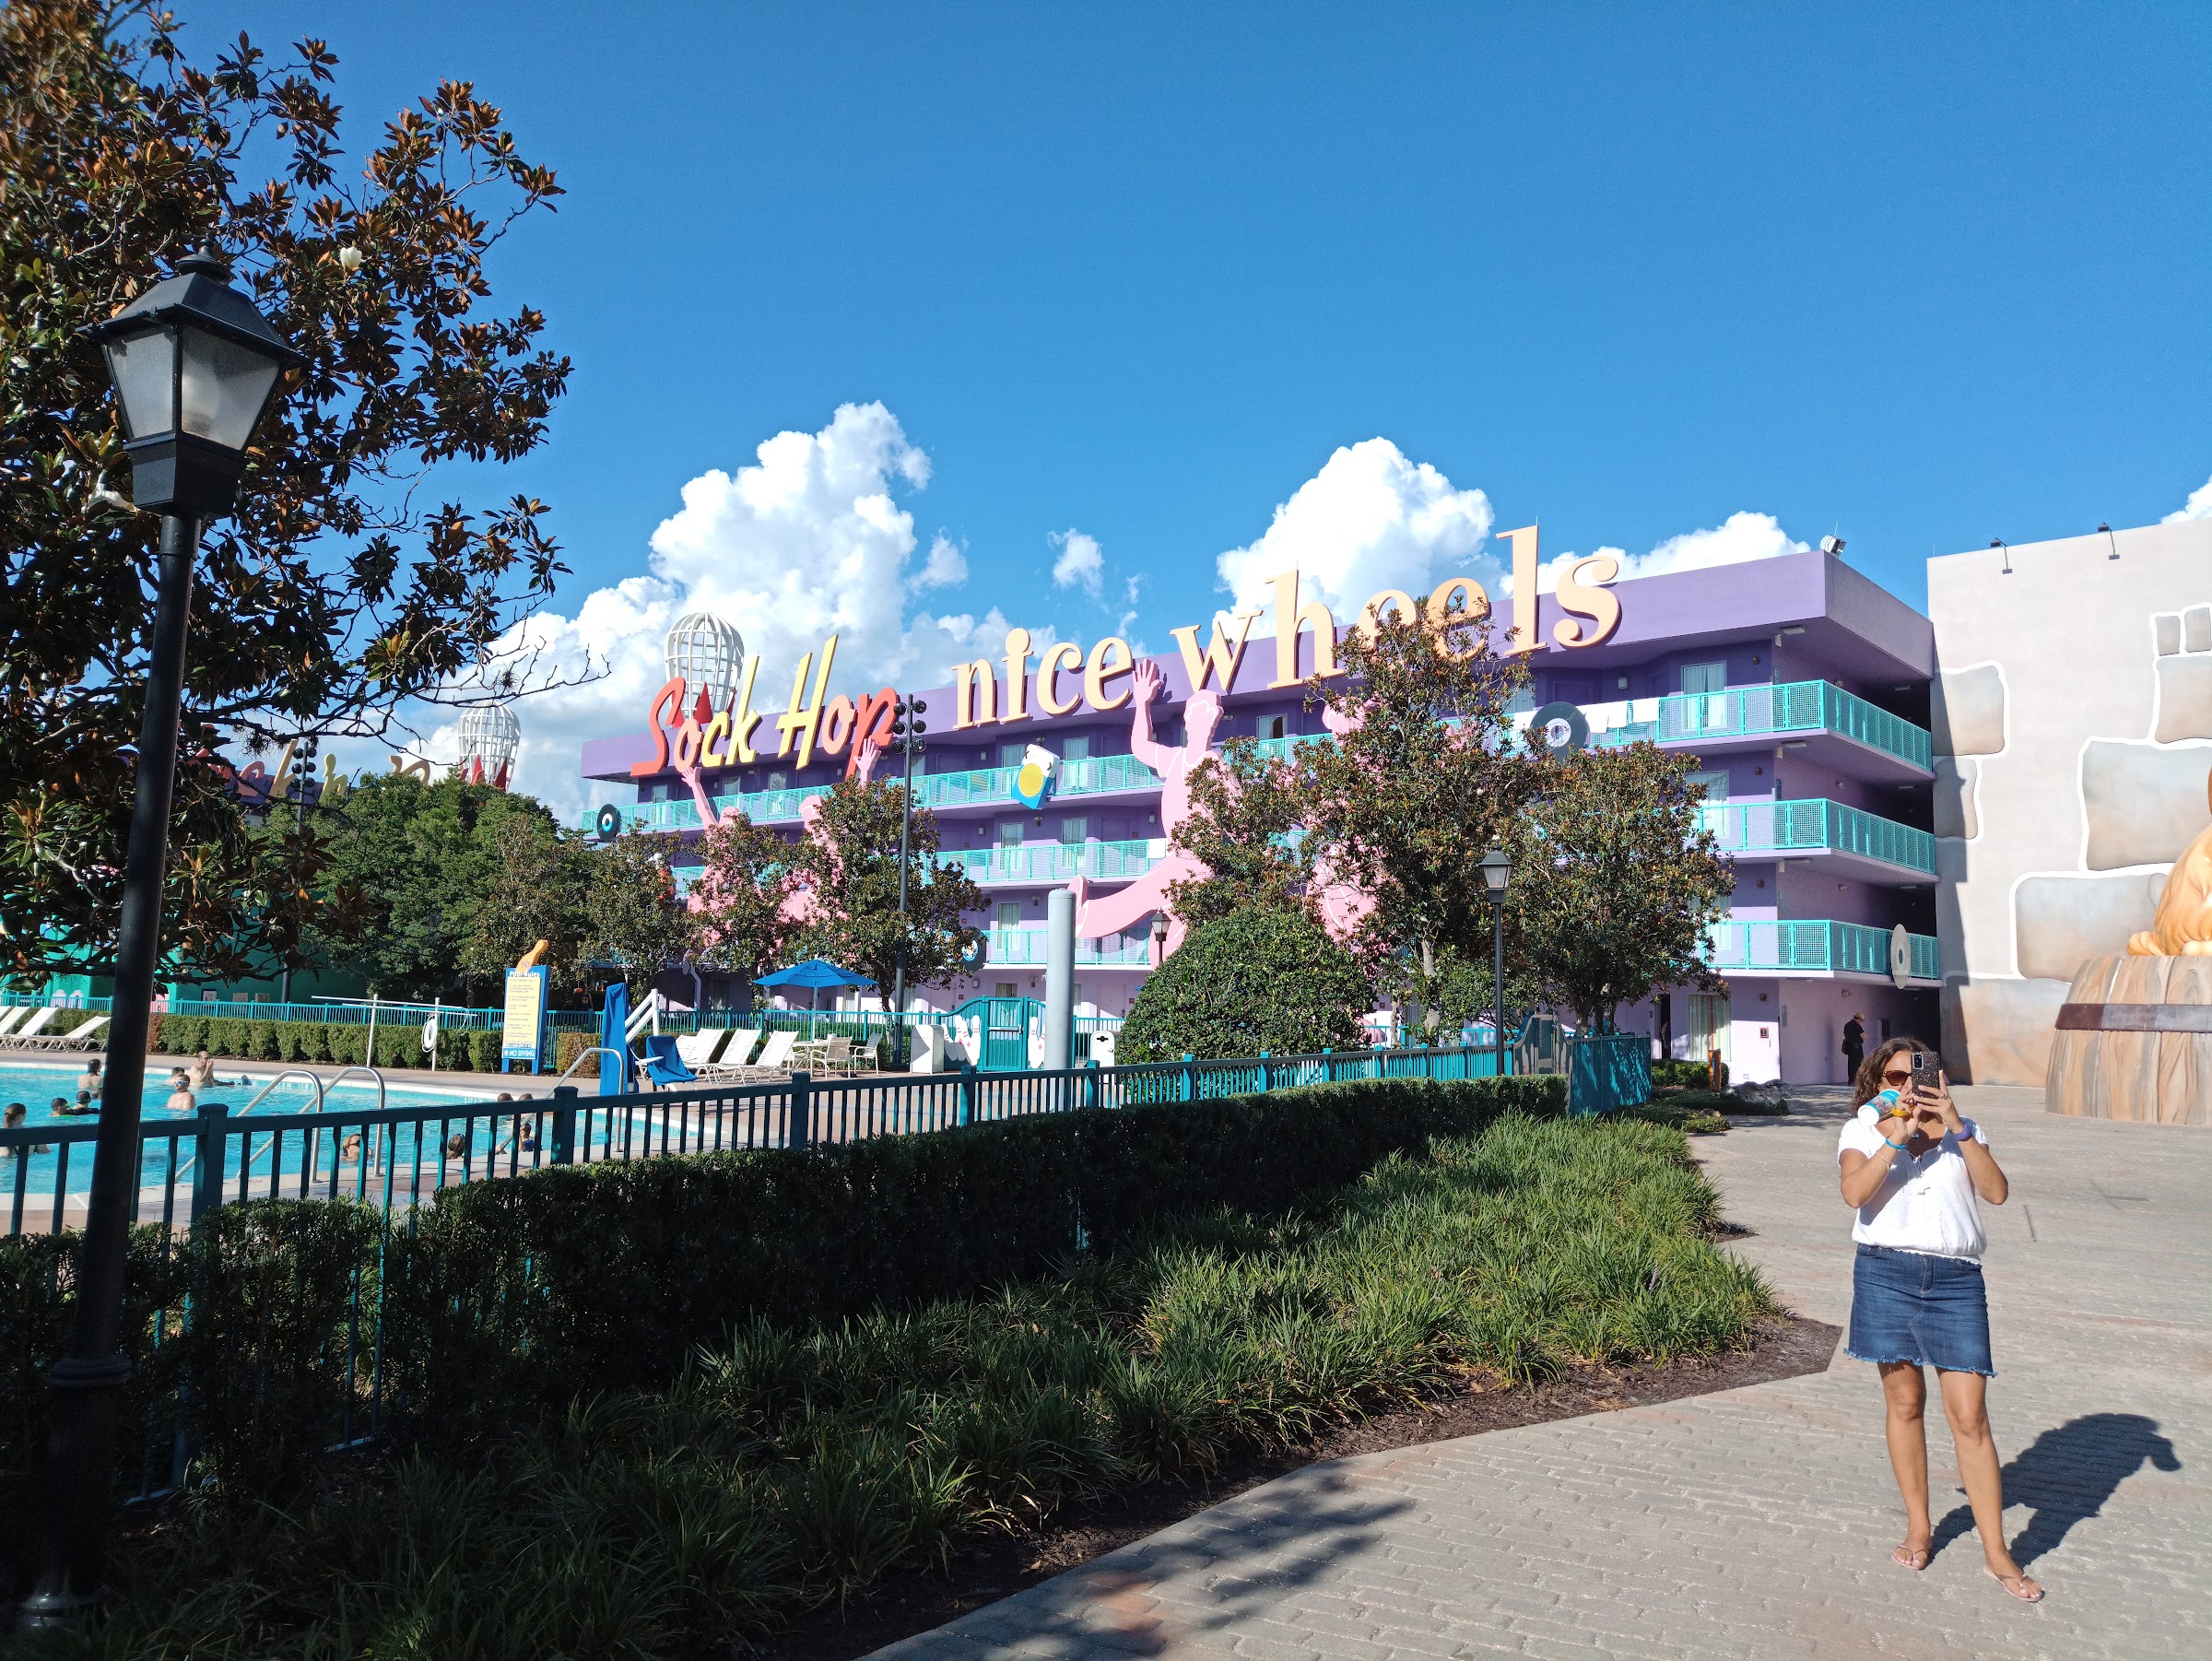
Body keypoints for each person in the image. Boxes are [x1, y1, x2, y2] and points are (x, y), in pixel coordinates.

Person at [1837, 1037, 2042, 1602]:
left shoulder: (1964, 1130)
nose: (1909, 1084)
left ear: (1939, 1078)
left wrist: (1957, 1126)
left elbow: (1996, 1193)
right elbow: (1854, 1193)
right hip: (1885, 1274)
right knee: (1905, 1404)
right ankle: (1919, 1526)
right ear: (1878, 1082)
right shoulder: (1861, 1130)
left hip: (1956, 1283)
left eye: (1920, 1073)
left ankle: (1997, 1552)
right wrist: (1895, 1137)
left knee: (1970, 1415)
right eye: (1895, 1076)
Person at [1841, 1012, 1865, 1083]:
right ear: (1859, 1019)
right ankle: (1857, 1080)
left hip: (1849, 1048)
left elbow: (1844, 1035)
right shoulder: (1857, 1026)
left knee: (1850, 1064)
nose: (1861, 1022)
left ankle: (1851, 1080)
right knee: (1858, 1064)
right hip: (1856, 1048)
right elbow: (1863, 1036)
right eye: (1862, 1020)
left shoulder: (1847, 1025)